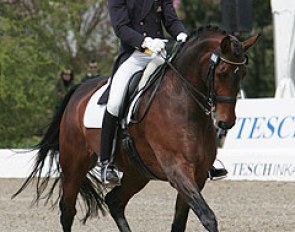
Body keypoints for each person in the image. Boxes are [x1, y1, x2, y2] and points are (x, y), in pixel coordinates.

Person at [100, 0, 227, 185]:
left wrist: (182, 34)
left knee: (191, 93)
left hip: (160, 52)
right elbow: (121, 28)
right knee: (115, 102)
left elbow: (171, 20)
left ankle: (206, 159)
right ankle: (106, 163)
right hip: (135, 55)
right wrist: (145, 43)